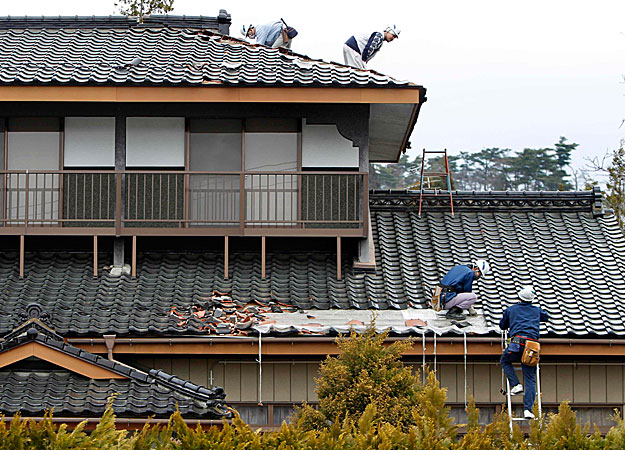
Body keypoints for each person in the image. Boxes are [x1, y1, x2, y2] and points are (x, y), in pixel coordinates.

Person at [499, 286, 550, 419]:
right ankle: (528, 410)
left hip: (516, 341)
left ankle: (515, 384)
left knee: (505, 360)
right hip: (531, 345)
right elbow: (547, 317)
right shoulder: (536, 310)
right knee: (530, 377)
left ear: (519, 296)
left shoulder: (511, 310)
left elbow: (502, 325)